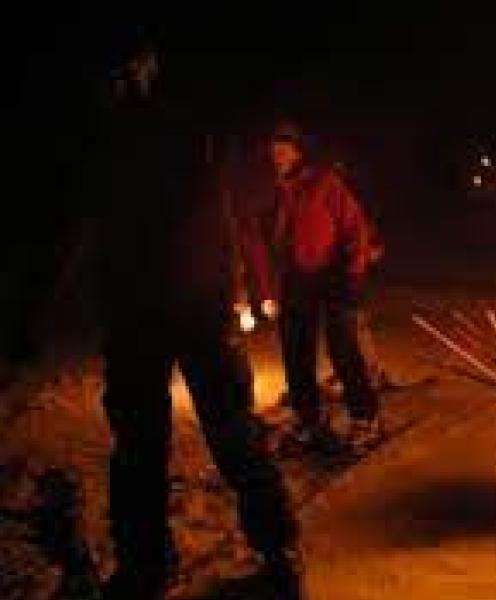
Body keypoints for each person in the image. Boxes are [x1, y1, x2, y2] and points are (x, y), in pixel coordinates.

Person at [93, 42, 303, 599]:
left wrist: (233, 287)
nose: (124, 78)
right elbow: (76, 228)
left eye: (131, 66)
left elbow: (222, 216)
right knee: (143, 443)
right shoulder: (118, 138)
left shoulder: (183, 131)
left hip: (189, 309)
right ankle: (148, 563)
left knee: (227, 430)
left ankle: (276, 549)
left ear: (148, 69)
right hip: (144, 314)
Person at [262, 122, 381, 451]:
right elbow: (271, 240)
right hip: (296, 280)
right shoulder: (278, 189)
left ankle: (365, 417)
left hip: (333, 276)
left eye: (284, 152)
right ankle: (308, 417)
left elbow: (355, 228)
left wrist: (354, 273)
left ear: (299, 152)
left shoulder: (325, 184)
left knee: (343, 348)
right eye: (273, 154)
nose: (278, 159)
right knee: (295, 351)